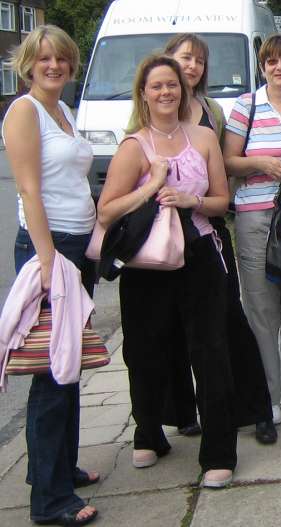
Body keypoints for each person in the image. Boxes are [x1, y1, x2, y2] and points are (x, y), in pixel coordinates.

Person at [98, 55, 237, 488]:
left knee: (211, 353)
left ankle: (218, 452)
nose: (165, 93)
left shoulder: (204, 137)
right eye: (156, 86)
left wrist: (190, 200)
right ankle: (149, 431)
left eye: (172, 85)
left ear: (183, 90)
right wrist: (153, 186)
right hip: (148, 264)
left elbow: (221, 201)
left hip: (198, 257)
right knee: (145, 351)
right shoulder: (133, 146)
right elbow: (105, 212)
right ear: (143, 92)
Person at [2, 24, 100, 527]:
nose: (53, 65)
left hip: (75, 248)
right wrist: (46, 263)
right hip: (51, 250)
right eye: (43, 59)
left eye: (60, 58)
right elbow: (28, 192)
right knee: (51, 374)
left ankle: (59, 468)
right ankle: (50, 501)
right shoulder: (24, 111)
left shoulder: (63, 111)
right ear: (28, 64)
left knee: (69, 366)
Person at [163, 33, 276, 444]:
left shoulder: (211, 109)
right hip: (163, 235)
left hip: (209, 230)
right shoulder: (150, 107)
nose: (191, 66)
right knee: (173, 327)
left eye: (198, 60)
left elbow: (223, 169)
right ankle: (183, 411)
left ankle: (255, 408)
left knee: (230, 319)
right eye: (185, 58)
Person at [223, 33, 281, 427]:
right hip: (256, 217)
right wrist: (260, 163)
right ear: (262, 67)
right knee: (261, 307)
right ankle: (266, 392)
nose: (280, 68)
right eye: (272, 62)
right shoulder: (247, 105)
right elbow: (228, 161)